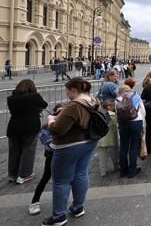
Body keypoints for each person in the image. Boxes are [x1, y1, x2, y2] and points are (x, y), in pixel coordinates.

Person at [43, 78, 99, 226]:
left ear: (74, 90)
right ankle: (78, 207)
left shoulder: (74, 106)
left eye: (67, 91)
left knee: (61, 181)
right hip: (89, 142)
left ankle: (58, 217)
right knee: (81, 173)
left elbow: (57, 129)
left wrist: (51, 119)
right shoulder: (93, 100)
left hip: (69, 146)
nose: (66, 94)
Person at [7, 79, 48, 184]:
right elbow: (44, 105)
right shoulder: (34, 97)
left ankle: (12, 174)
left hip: (14, 127)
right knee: (28, 150)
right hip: (30, 127)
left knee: (14, 151)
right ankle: (24, 174)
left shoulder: (11, 98)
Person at [28, 103, 64, 216]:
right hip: (52, 155)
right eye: (58, 113)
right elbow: (49, 143)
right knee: (46, 177)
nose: (60, 115)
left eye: (63, 113)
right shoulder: (46, 128)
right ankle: (34, 201)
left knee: (70, 178)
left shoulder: (67, 124)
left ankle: (73, 201)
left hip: (65, 155)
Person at [115, 84, 145, 178]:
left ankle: (123, 170)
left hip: (123, 124)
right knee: (134, 146)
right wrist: (143, 124)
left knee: (123, 147)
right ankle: (132, 170)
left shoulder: (117, 99)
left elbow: (117, 113)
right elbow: (143, 111)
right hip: (136, 122)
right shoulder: (136, 96)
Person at [97, 101, 118, 177]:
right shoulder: (112, 115)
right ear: (109, 107)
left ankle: (103, 172)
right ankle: (115, 167)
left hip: (100, 139)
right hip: (111, 138)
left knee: (102, 157)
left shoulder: (98, 115)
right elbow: (115, 127)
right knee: (114, 154)